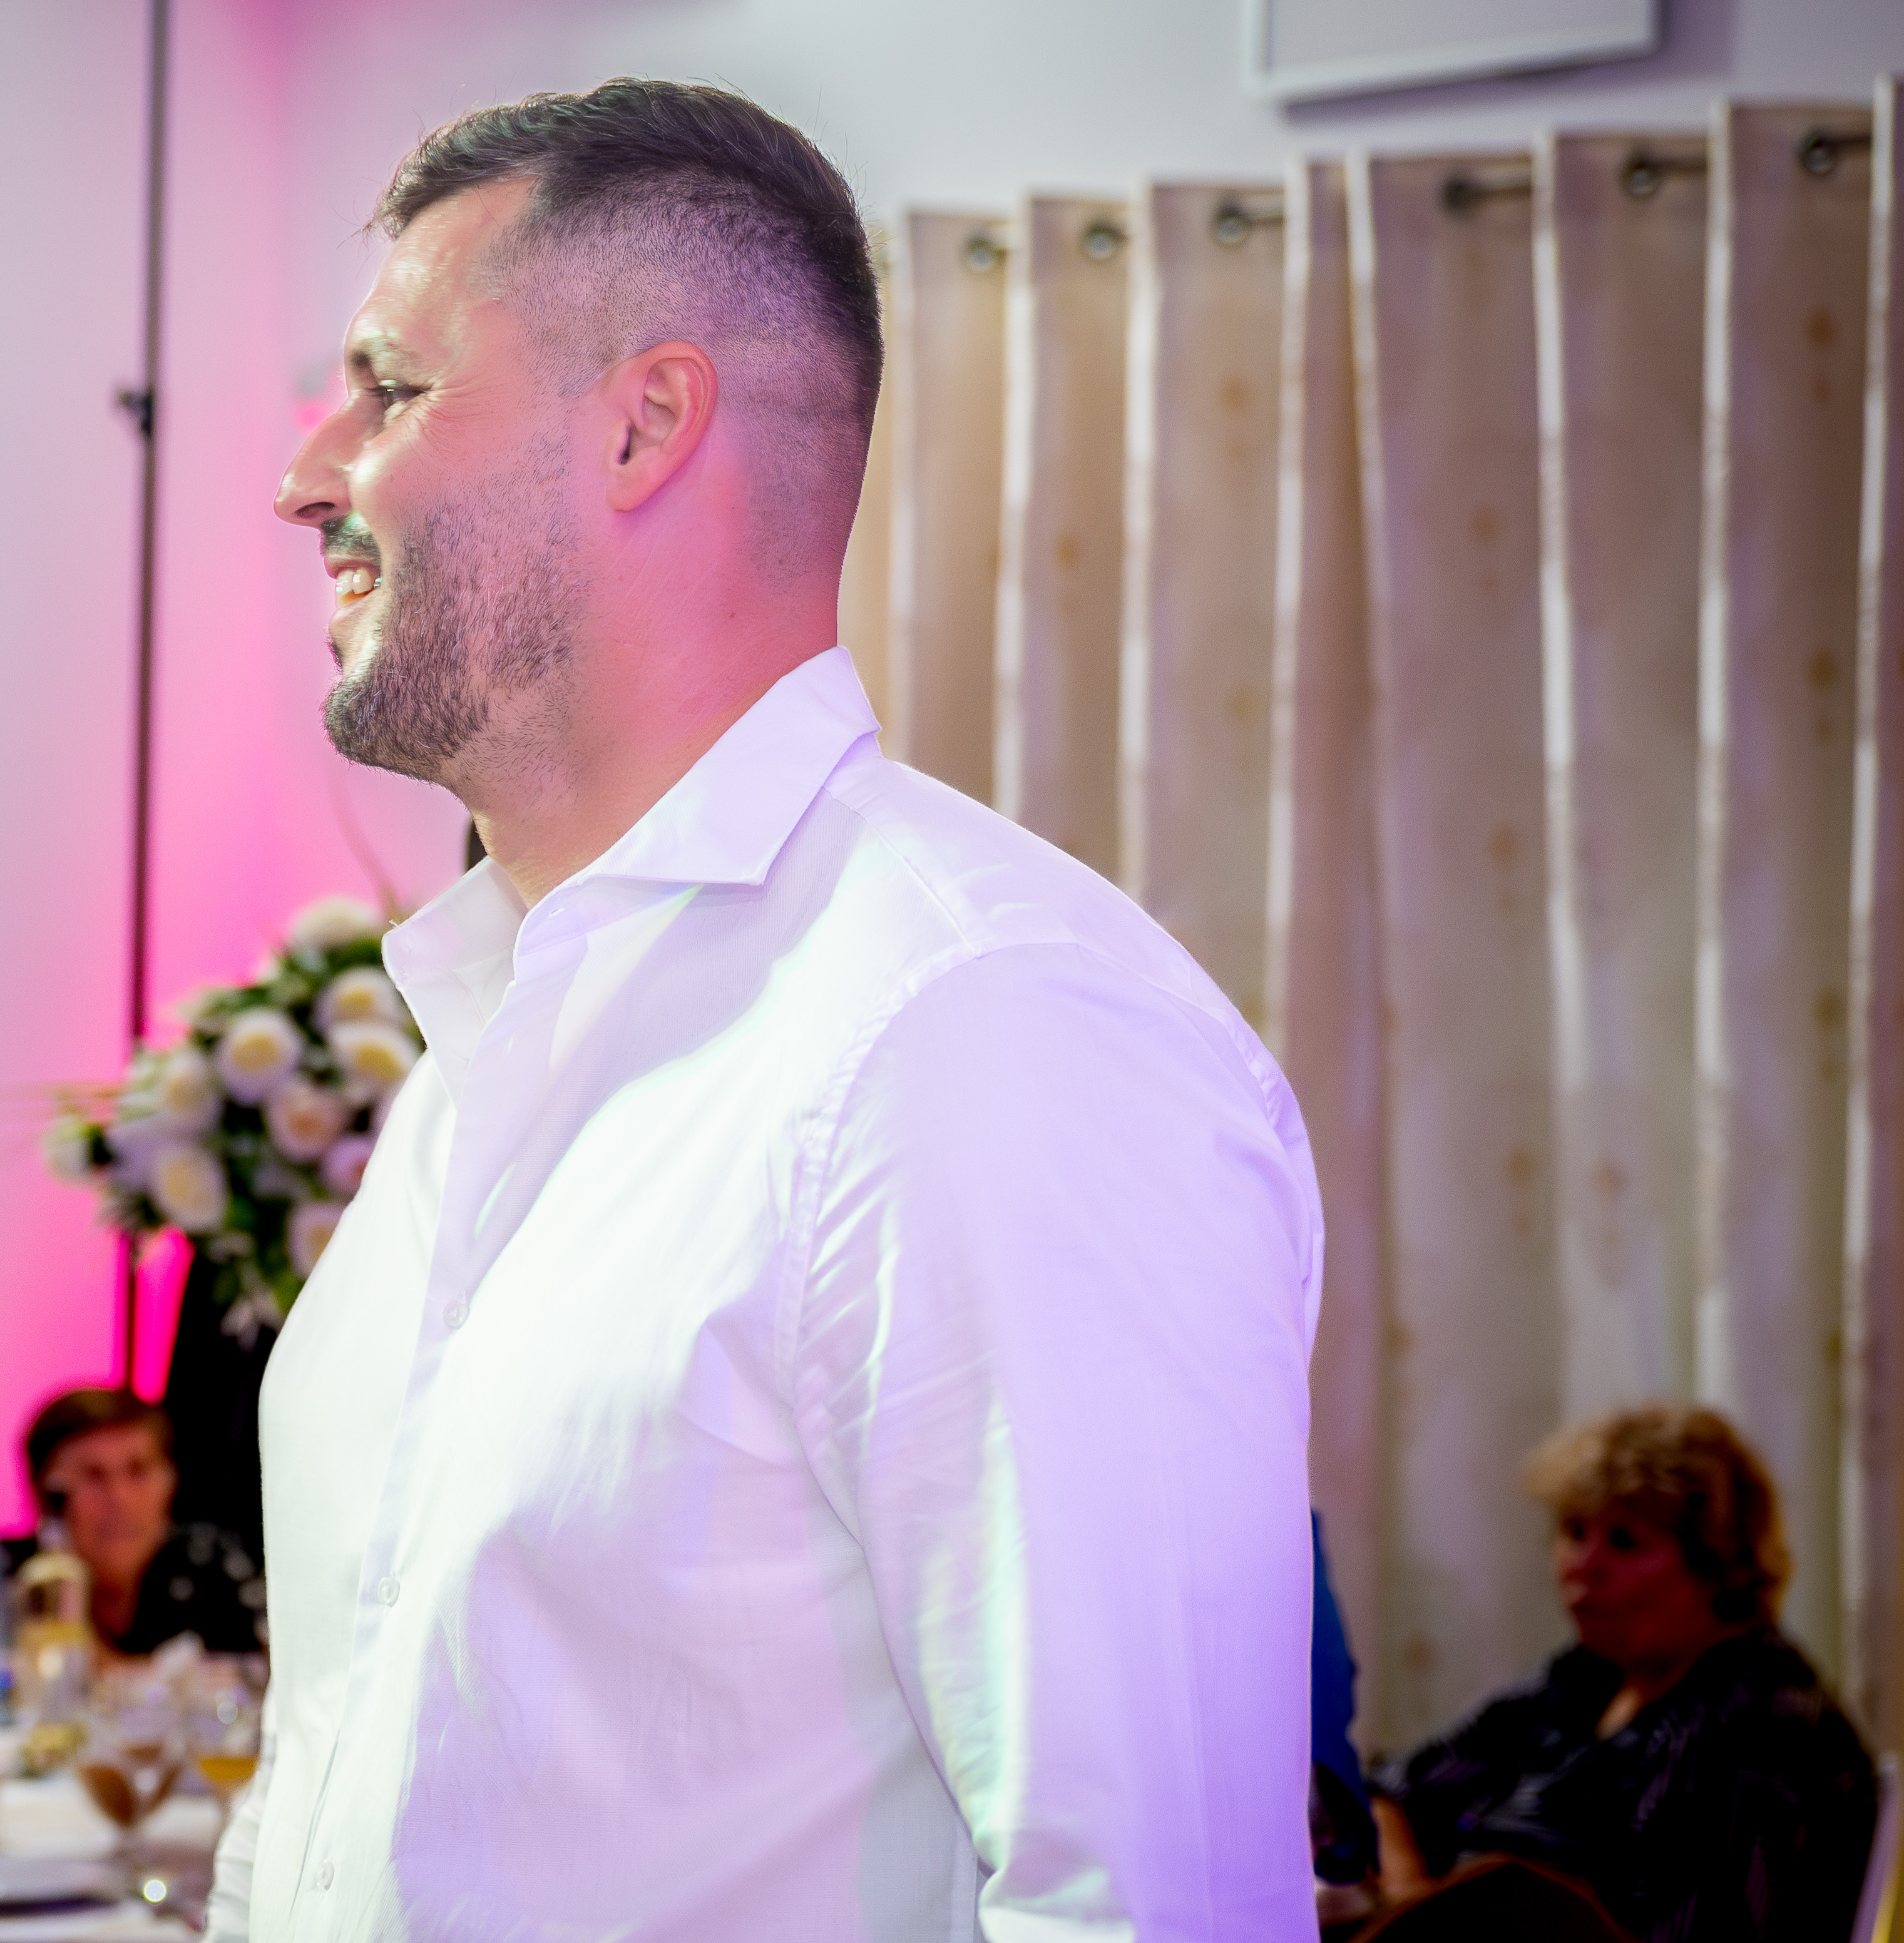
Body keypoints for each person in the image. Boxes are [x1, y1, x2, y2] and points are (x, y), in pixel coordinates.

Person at [210, 79, 1320, 1939]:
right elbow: (328, 1774)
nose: (304, 474)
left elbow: (1143, 1904)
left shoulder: (981, 1035)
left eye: (389, 389)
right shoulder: (475, 1053)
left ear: (644, 423)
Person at [1369, 1405, 1878, 1942]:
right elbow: (1389, 1794)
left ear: (1717, 1564)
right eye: (1573, 1531)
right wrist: (1409, 1904)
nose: (1583, 1565)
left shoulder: (1757, 1727)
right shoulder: (1584, 1679)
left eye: (1623, 1541)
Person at [5, 1389, 264, 1656]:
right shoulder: (8, 1583)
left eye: (138, 1471)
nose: (120, 1498)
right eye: (94, 1476)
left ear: (171, 1482)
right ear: (47, 1494)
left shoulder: (213, 1570)